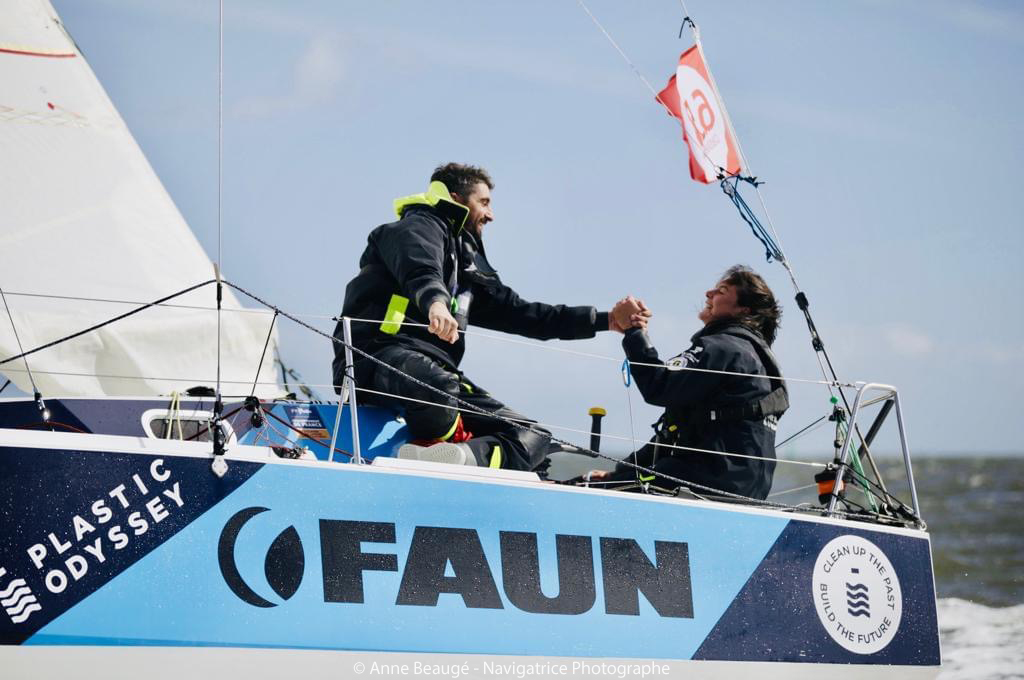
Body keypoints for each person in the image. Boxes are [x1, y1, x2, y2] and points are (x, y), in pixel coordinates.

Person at [333, 163, 627, 471]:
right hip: (375, 358)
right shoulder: (414, 228)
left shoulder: (467, 270)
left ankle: (456, 458)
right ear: (457, 199)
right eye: (483, 203)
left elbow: (524, 315)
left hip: (436, 376)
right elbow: (420, 268)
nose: (491, 215)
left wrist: (605, 320)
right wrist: (435, 303)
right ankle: (439, 449)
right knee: (436, 385)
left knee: (533, 436)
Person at [590, 266, 788, 500]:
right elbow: (677, 429)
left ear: (743, 310)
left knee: (585, 487)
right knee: (606, 483)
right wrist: (620, 474)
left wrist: (634, 331)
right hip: (741, 491)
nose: (709, 293)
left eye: (721, 291)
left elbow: (659, 386)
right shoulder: (756, 358)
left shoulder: (722, 348)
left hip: (703, 481)